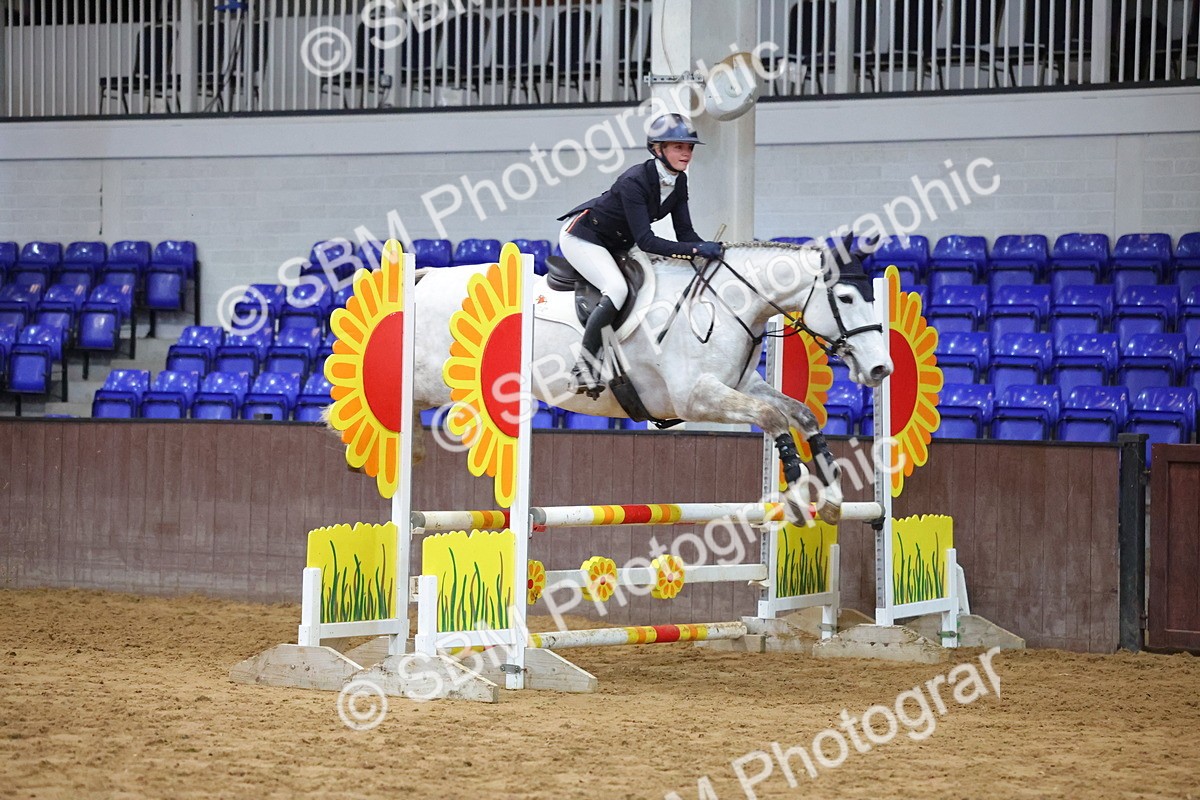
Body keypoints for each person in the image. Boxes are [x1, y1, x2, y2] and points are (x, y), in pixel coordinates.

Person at [557, 113, 723, 396]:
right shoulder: (634, 180)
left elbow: (685, 234)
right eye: (677, 147)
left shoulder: (679, 182)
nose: (686, 153)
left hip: (620, 242)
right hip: (585, 237)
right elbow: (647, 240)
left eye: (689, 147)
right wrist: (696, 250)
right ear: (657, 149)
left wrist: (713, 251)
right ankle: (583, 367)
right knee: (618, 289)